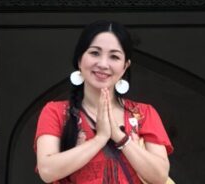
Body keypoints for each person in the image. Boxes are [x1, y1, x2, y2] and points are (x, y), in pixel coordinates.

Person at [35, 20, 173, 184]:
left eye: (114, 56)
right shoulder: (56, 112)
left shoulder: (143, 114)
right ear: (79, 59)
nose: (103, 64)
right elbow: (47, 171)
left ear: (125, 66)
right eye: (95, 53)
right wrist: (100, 138)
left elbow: (159, 176)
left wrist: (119, 136)